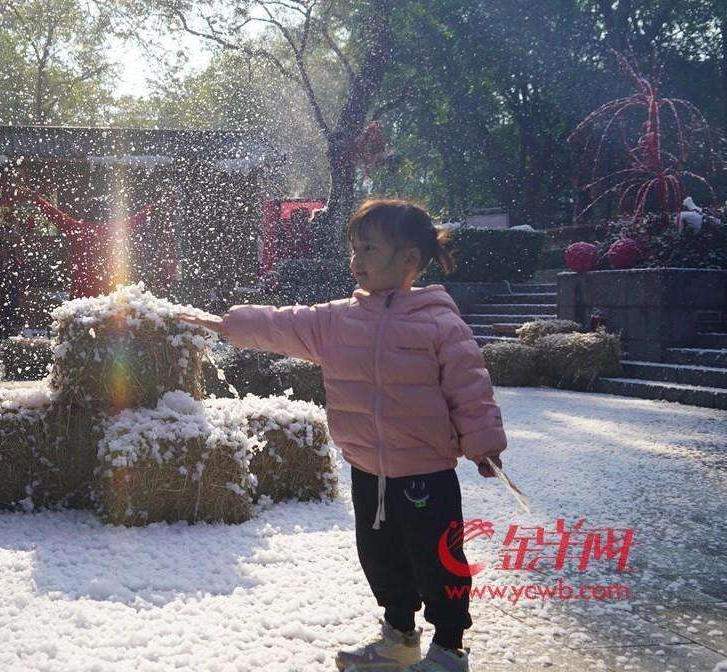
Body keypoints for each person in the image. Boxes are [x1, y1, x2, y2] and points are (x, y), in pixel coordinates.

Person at [178, 199, 507, 672]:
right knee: (381, 556)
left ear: (409, 260)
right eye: (354, 248)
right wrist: (223, 324)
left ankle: (450, 648)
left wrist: (484, 445)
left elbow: (470, 388)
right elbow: (280, 323)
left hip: (425, 473)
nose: (356, 259)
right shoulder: (337, 320)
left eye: (369, 248)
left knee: (437, 560)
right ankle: (399, 638)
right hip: (367, 470)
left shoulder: (440, 323)